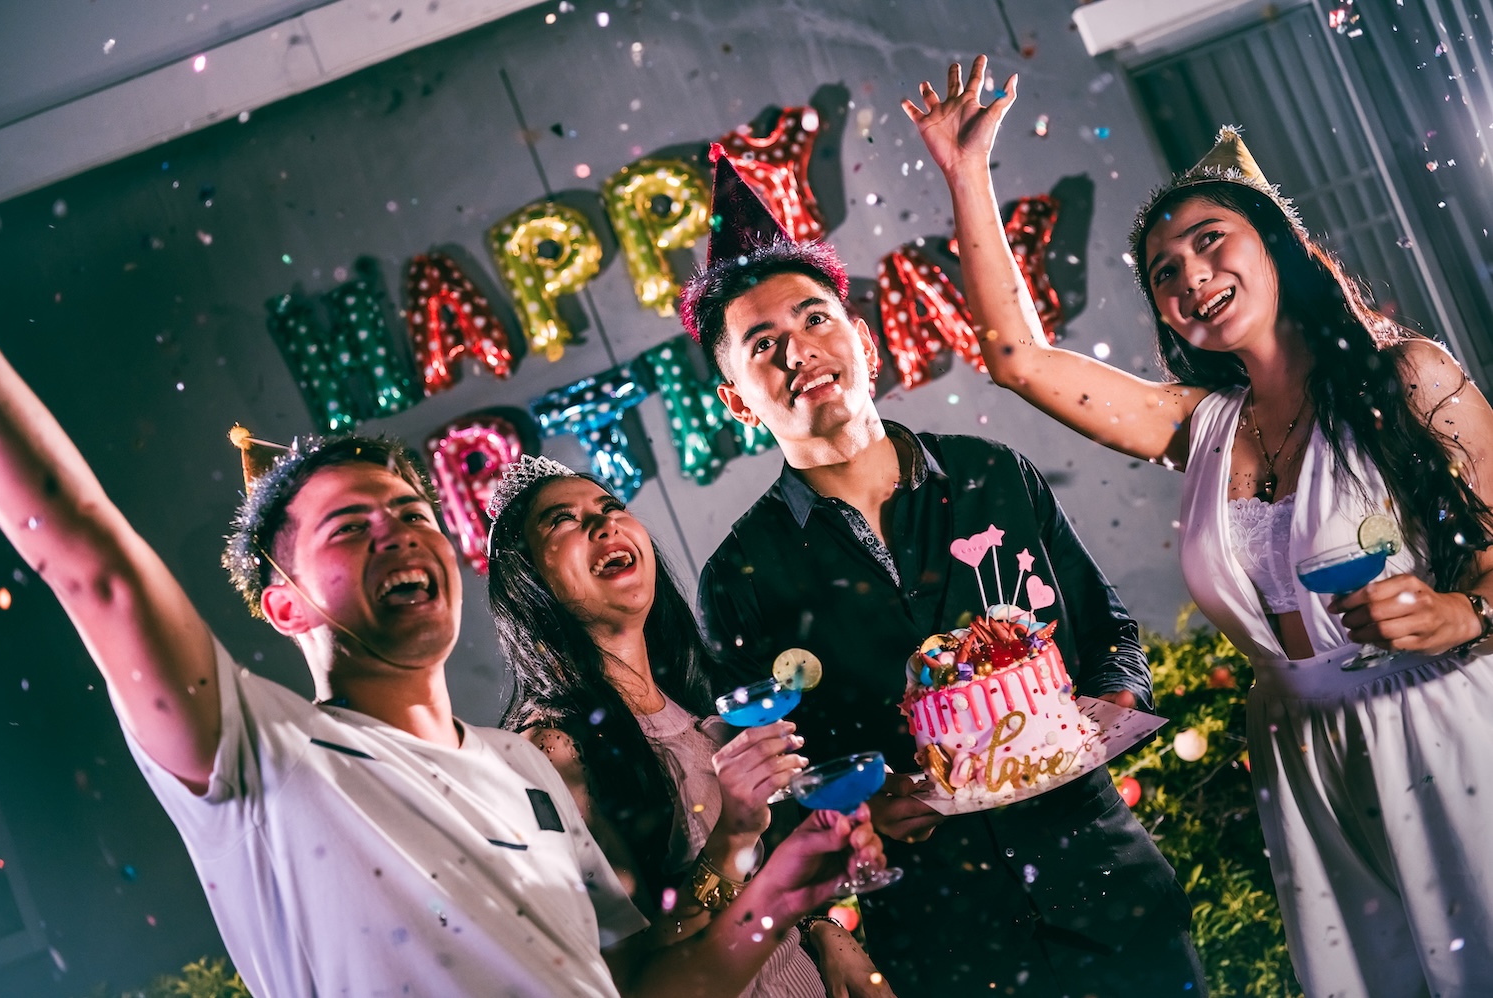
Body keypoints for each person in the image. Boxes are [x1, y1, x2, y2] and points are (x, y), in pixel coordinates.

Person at [0, 336, 885, 998]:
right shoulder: (264, 756)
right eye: (350, 527)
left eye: (412, 511)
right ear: (286, 605)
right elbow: (89, 557)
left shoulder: (518, 767)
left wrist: (770, 896)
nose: (399, 531)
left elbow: (636, 986)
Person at [907, 54, 1493, 996]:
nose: (1192, 277)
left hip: (1444, 722)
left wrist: (1467, 613)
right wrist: (965, 173)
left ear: (1275, 242)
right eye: (1166, 274)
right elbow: (1017, 357)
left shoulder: (1407, 376)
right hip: (1303, 751)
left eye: (1213, 243)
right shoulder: (1202, 427)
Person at [685, 149, 1204, 994]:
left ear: (862, 341)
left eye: (816, 320)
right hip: (948, 938)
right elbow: (771, 774)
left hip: (1107, 886)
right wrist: (853, 809)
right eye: (764, 344)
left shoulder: (992, 475)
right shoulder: (742, 575)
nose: (800, 352)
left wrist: (1112, 704)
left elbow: (1107, 629)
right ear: (739, 398)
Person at [485, 453, 894, 998]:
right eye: (563, 520)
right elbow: (622, 977)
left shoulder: (705, 705)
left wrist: (822, 929)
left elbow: (759, 896)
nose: (604, 523)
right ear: (526, 579)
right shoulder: (553, 753)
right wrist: (731, 837)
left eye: (610, 507)